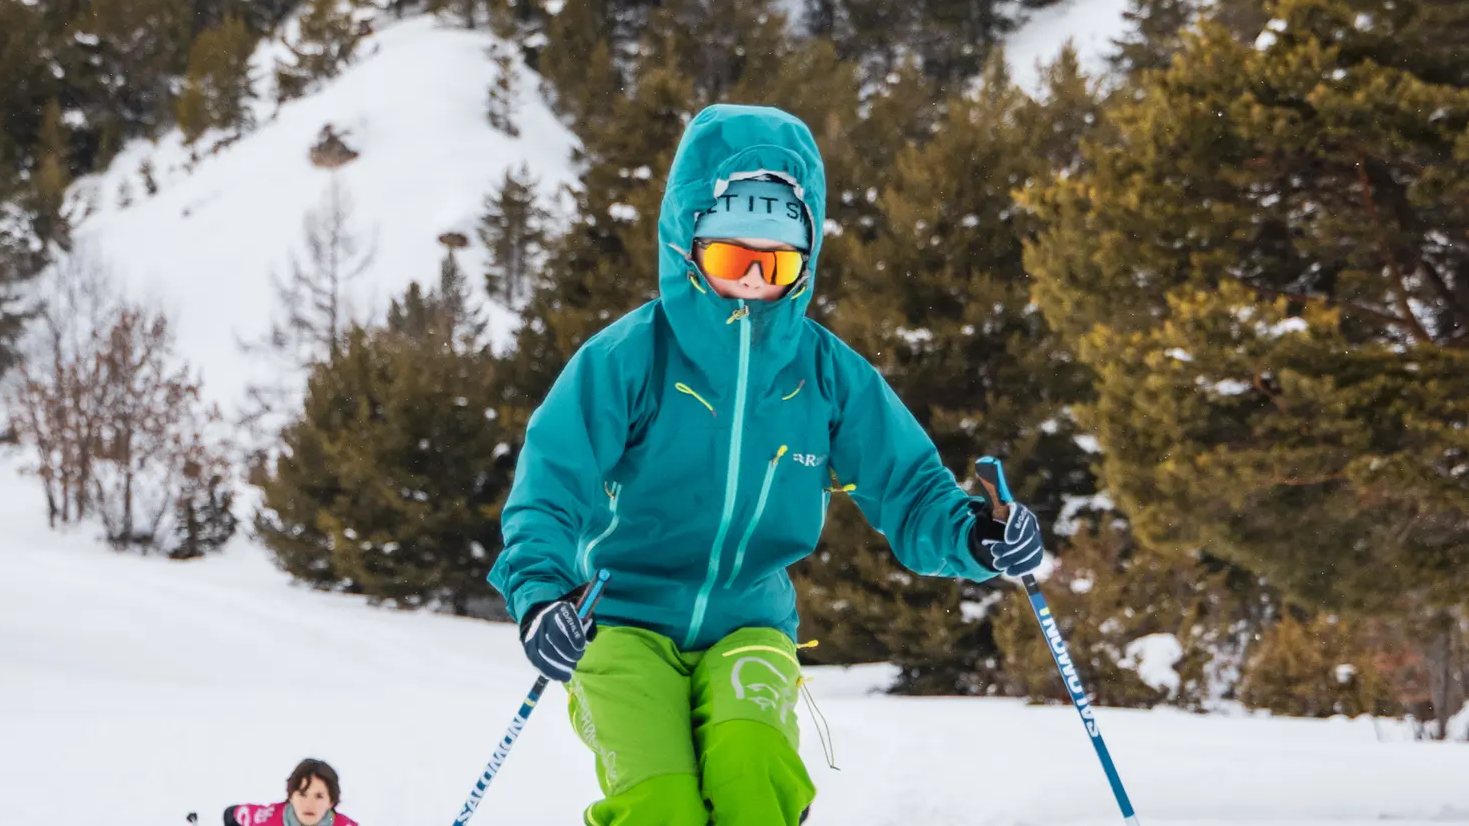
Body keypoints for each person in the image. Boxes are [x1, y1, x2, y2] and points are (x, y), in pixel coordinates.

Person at [488, 104, 1049, 826]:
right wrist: (541, 596)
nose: (753, 280)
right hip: (620, 619)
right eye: (732, 258)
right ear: (688, 245)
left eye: (775, 262)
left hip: (749, 621)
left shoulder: (825, 373)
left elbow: (907, 486)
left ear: (804, 264)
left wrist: (977, 535)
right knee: (661, 805)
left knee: (753, 776)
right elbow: (551, 486)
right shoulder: (630, 358)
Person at [223, 759, 358, 826]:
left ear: (331, 801)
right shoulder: (266, 819)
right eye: (302, 794)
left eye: (319, 796)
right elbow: (232, 814)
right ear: (291, 796)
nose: (309, 804)